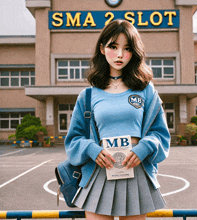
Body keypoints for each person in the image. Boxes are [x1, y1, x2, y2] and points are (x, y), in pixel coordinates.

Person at [65, 19, 170, 220]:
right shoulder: (87, 96)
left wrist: (144, 147)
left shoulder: (146, 91)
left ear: (134, 52)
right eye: (114, 46)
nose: (120, 54)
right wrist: (91, 149)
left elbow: (160, 133)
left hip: (136, 171)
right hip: (99, 173)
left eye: (127, 48)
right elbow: (73, 139)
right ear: (102, 49)